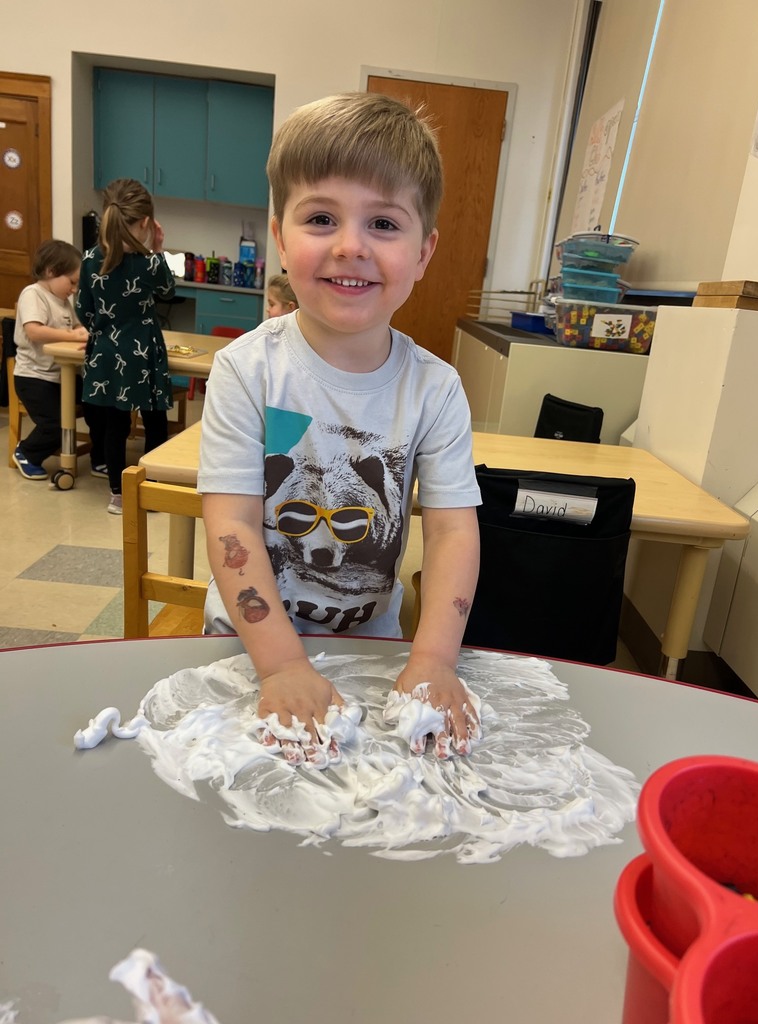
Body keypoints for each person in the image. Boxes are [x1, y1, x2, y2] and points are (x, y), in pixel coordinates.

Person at [198, 92, 481, 766]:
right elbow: (232, 525)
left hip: (370, 647)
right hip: (246, 646)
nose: (350, 246)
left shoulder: (434, 390)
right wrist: (279, 668)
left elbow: (451, 530)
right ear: (280, 236)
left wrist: (436, 658)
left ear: (423, 251)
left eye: (384, 223)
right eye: (321, 217)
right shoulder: (247, 372)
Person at [76, 178, 176, 515]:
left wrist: (102, 333)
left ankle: (117, 496)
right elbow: (167, 290)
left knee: (115, 427)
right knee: (155, 423)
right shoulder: (148, 263)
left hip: (106, 354)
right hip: (142, 354)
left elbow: (82, 309)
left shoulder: (91, 258)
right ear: (146, 223)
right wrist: (159, 247)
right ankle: (152, 491)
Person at [13, 239, 107, 482]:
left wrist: (85, 332)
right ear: (51, 271)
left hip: (61, 376)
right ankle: (26, 453)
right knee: (56, 424)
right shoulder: (33, 294)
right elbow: (34, 331)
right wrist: (70, 335)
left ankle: (101, 457)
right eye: (72, 282)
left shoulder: (63, 301)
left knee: (99, 404)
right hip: (34, 378)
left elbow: (76, 325)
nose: (74, 289)